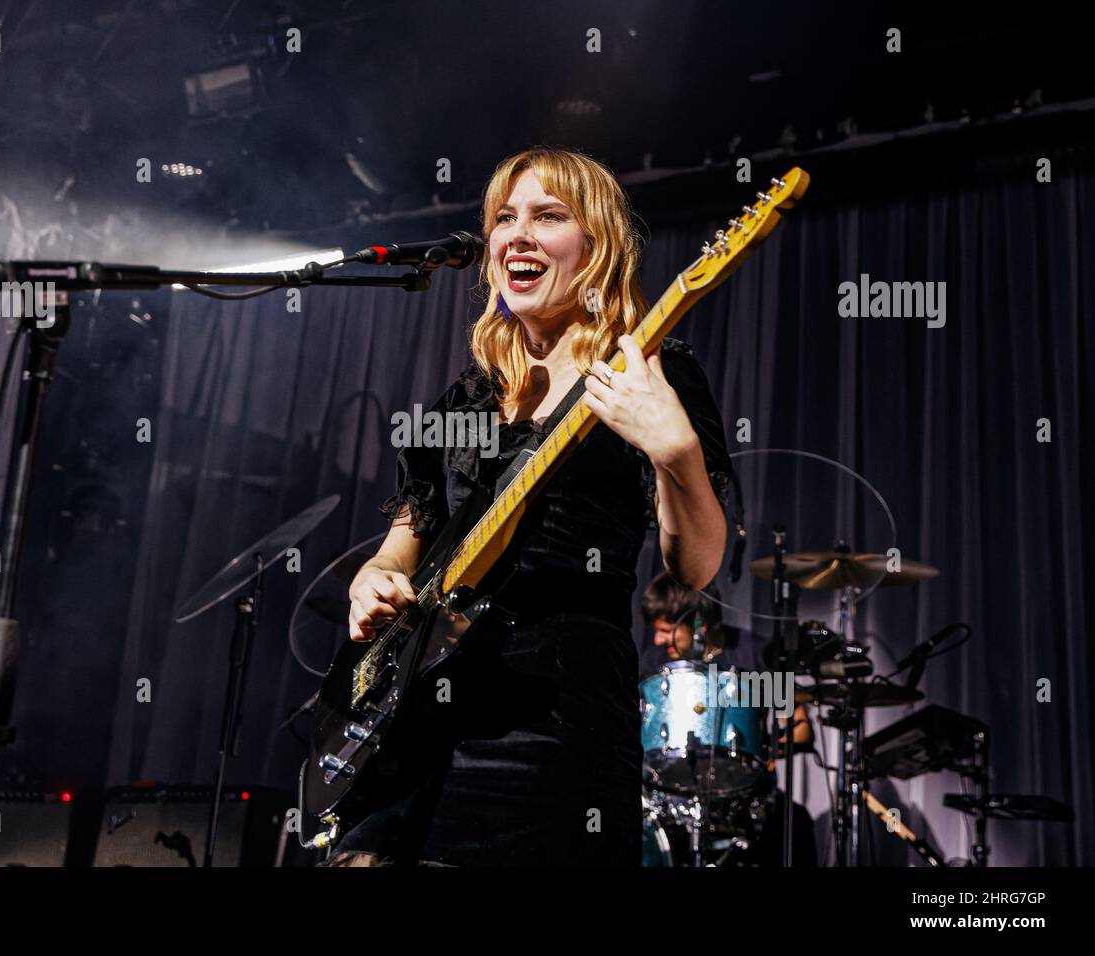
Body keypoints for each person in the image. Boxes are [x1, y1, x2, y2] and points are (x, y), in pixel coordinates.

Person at [326, 146, 732, 866]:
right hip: (422, 719)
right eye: (504, 218)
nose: (517, 234)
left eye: (548, 216)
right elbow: (406, 536)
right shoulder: (470, 395)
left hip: (557, 718)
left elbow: (696, 568)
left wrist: (678, 453)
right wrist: (376, 575)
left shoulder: (647, 370)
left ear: (597, 246)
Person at [639, 572, 818, 865]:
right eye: (655, 630)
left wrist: (771, 751)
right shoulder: (653, 663)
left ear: (698, 622)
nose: (659, 639)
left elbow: (800, 727)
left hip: (747, 800)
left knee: (796, 822)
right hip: (671, 800)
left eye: (667, 629)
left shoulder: (755, 654)